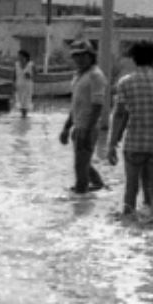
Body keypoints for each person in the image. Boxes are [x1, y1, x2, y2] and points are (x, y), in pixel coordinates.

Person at [106, 39, 153, 222]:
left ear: (134, 60)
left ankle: (128, 216)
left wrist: (112, 144)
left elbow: (119, 115)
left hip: (134, 142)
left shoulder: (124, 83)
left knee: (131, 186)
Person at [58, 39, 108, 194]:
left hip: (88, 127)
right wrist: (66, 127)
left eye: (82, 55)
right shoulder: (78, 75)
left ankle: (80, 201)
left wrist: (88, 129)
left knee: (80, 167)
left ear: (91, 56)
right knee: (83, 163)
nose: (78, 59)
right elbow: (75, 105)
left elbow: (98, 106)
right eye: (75, 56)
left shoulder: (95, 75)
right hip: (78, 126)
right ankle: (99, 186)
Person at [14, 49, 34, 117]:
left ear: (25, 57)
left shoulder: (30, 64)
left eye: (20, 56)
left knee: (26, 102)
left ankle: (24, 116)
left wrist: (30, 75)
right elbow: (13, 75)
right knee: (20, 102)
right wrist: (13, 84)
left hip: (27, 86)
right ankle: (23, 117)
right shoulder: (16, 64)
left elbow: (36, 74)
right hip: (19, 86)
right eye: (18, 56)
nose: (19, 57)